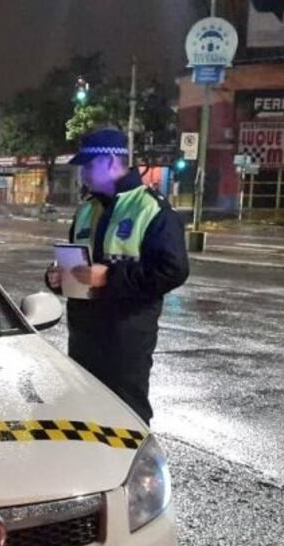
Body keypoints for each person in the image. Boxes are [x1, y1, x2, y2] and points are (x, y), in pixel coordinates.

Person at [46, 128, 188, 424]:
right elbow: (80, 264)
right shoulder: (86, 211)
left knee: (126, 417)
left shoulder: (151, 208)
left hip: (125, 340)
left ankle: (135, 470)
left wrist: (109, 278)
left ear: (111, 162)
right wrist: (58, 277)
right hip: (83, 337)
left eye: (88, 165)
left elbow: (172, 270)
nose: (82, 173)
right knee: (84, 417)